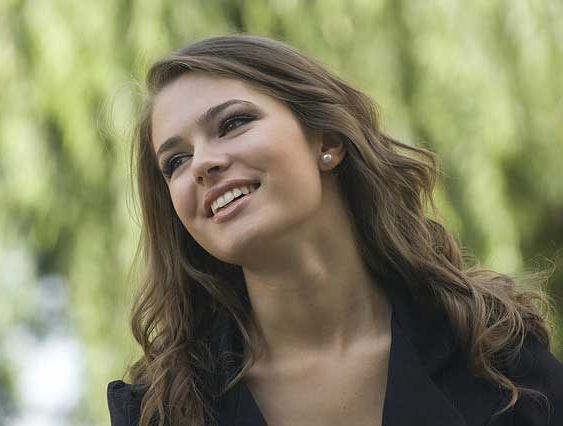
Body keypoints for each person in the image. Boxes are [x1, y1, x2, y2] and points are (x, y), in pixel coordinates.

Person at [107, 34, 563, 426]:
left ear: (328, 140)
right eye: (176, 161)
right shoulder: (162, 409)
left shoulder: (495, 353)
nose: (204, 163)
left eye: (233, 123)